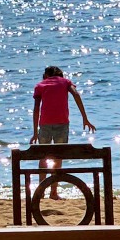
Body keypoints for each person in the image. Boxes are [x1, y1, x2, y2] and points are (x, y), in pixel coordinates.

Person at [29, 65, 96, 200]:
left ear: (46, 75)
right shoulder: (65, 82)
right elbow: (76, 94)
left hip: (45, 124)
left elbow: (36, 109)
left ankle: (41, 191)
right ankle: (53, 193)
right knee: (58, 157)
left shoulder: (40, 85)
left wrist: (35, 131)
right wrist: (85, 118)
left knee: (43, 157)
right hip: (62, 123)